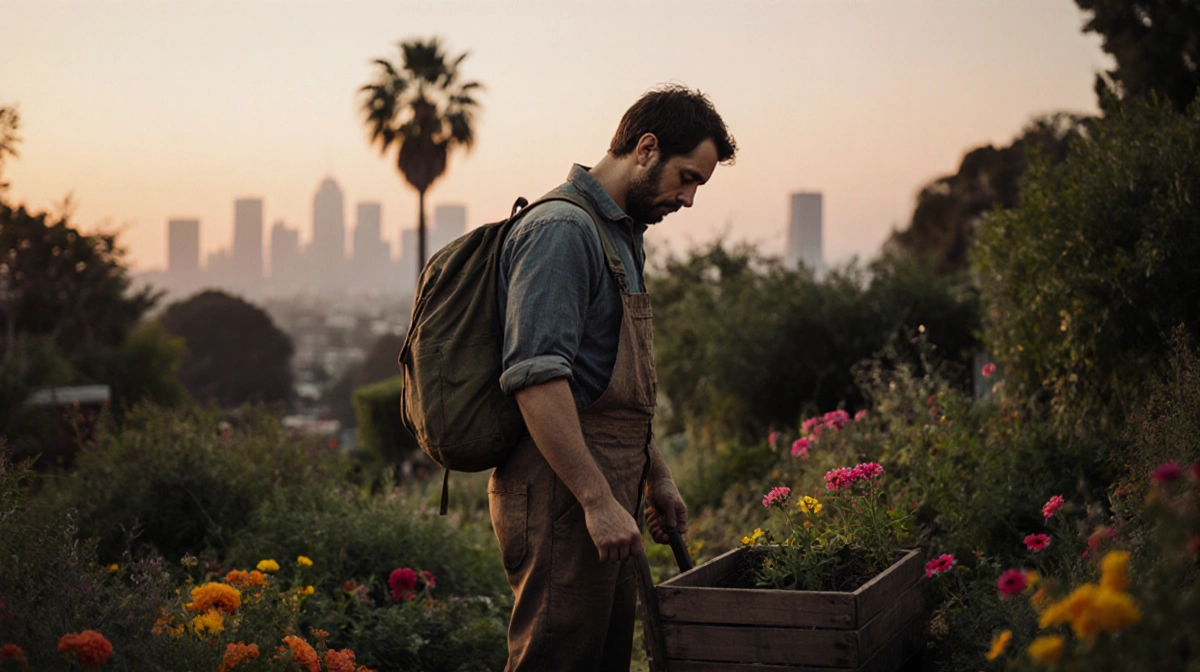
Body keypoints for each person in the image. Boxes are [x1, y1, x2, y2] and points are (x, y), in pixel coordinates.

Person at [489, 84, 737, 671]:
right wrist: (596, 500)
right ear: (645, 148)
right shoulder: (561, 231)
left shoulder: (621, 235)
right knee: (556, 659)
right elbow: (537, 381)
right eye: (687, 177)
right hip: (561, 495)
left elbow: (608, 390)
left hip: (605, 492)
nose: (689, 198)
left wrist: (657, 477)